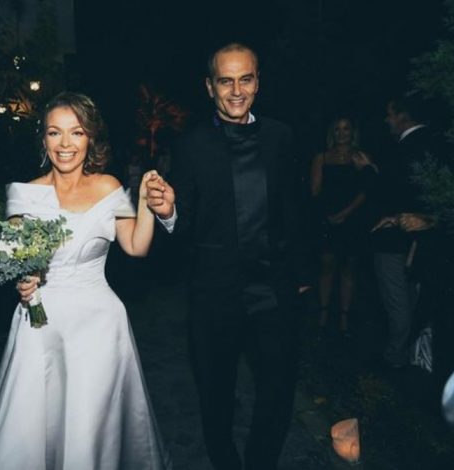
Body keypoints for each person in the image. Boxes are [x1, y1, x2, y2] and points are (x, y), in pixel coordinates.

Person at [0, 92, 172, 470]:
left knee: (91, 431)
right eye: (55, 132)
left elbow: (136, 246)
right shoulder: (24, 194)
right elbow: (18, 262)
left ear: (90, 138)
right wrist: (23, 282)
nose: (65, 144)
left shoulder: (109, 187)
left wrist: (146, 202)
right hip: (40, 328)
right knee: (32, 429)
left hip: (99, 328)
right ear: (43, 139)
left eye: (76, 132)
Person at [146, 43, 311, 470]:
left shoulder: (281, 136)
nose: (236, 91)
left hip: (273, 293)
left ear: (258, 82)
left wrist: (301, 273)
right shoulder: (191, 145)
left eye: (245, 79)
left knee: (278, 392)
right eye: (226, 81)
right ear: (210, 87)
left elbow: (295, 209)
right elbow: (182, 226)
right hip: (215, 294)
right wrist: (168, 213)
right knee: (215, 396)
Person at [370, 96, 448, 370]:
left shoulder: (405, 148)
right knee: (411, 305)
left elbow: (391, 193)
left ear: (402, 116)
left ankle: (394, 361)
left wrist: (369, 171)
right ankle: (406, 360)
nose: (386, 120)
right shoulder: (436, 143)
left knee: (403, 309)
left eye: (389, 114)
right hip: (420, 242)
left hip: (399, 240)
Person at [309, 117, 376, 335]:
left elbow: (367, 191)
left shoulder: (361, 157)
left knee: (348, 267)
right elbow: (315, 191)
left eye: (346, 129)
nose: (341, 133)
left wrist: (345, 213)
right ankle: (323, 315)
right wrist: (328, 215)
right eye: (337, 129)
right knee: (327, 265)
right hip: (327, 219)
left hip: (352, 218)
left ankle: (344, 318)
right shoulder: (322, 157)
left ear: (352, 132)